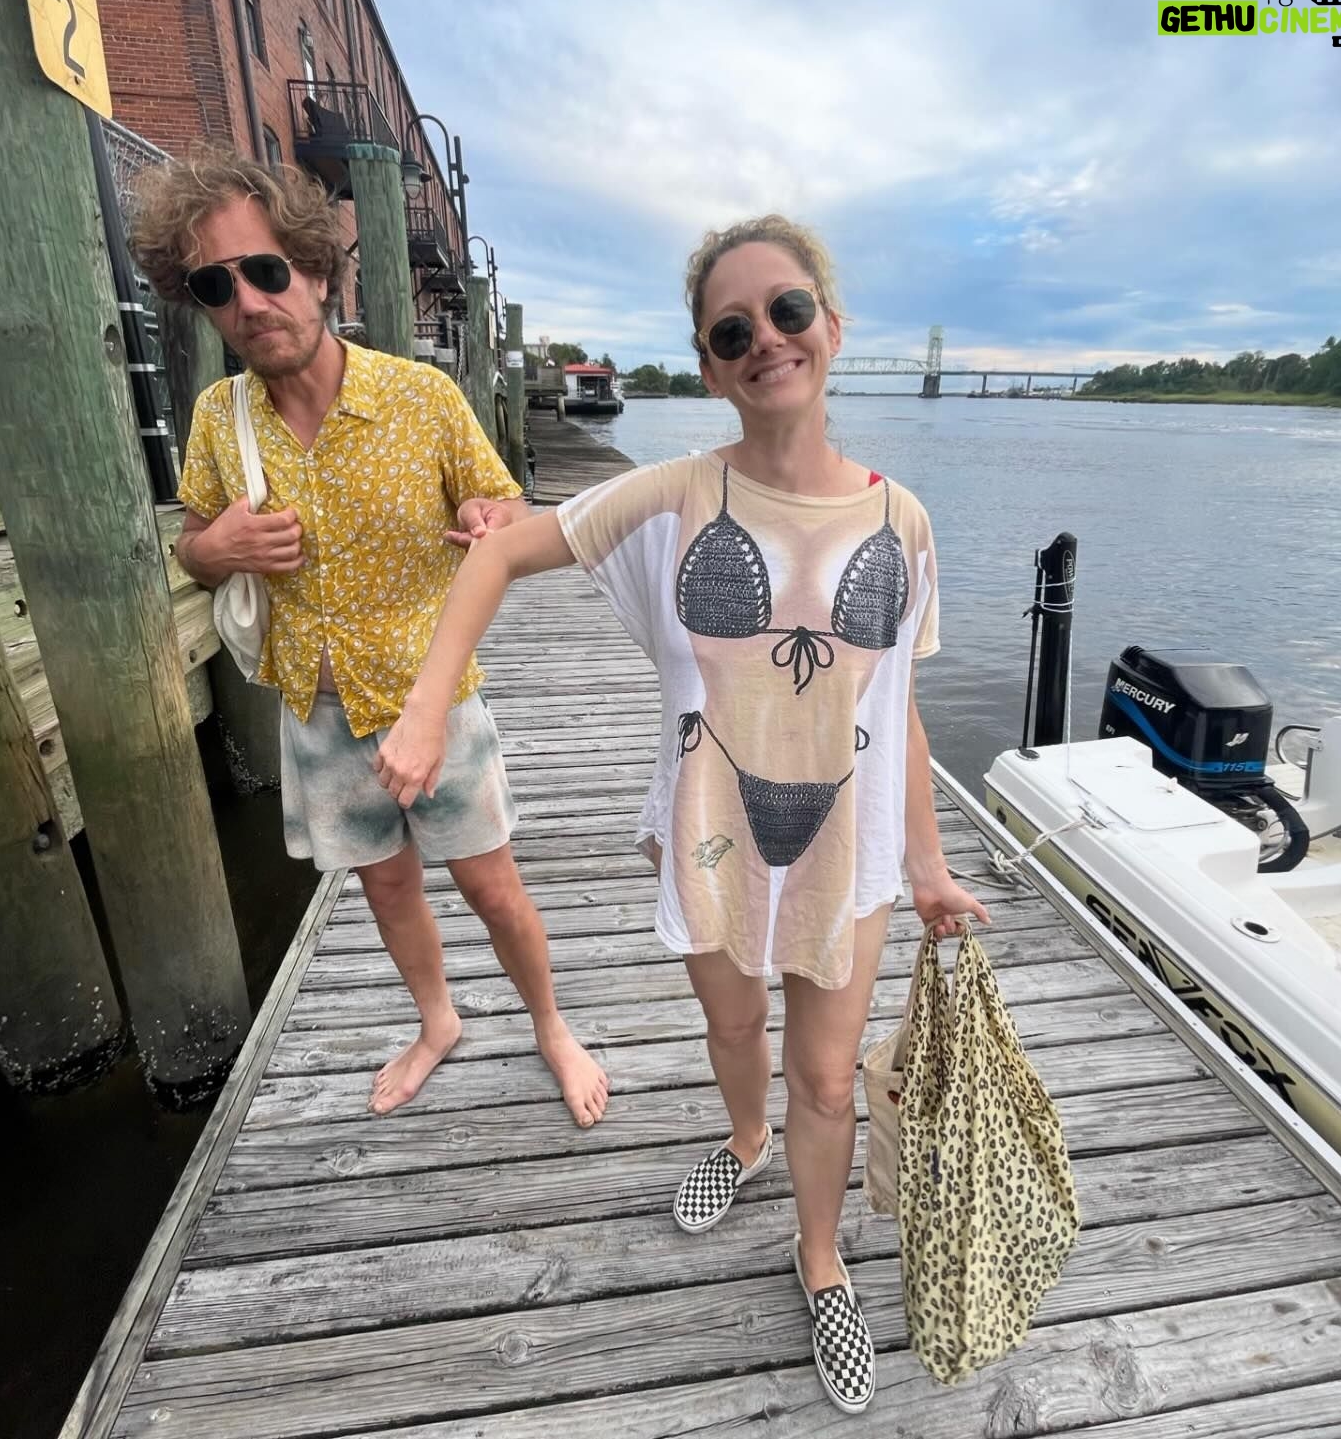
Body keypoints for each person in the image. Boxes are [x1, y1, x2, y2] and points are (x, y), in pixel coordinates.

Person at [374, 214, 989, 1414]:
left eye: (787, 311)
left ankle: (820, 1259)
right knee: (732, 1026)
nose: (766, 340)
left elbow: (900, 711)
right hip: (713, 838)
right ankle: (744, 1140)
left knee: (828, 1080)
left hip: (850, 856)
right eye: (731, 330)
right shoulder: (666, 500)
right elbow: (494, 558)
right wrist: (427, 707)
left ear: (831, 327)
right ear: (709, 366)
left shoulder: (904, 522)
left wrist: (926, 864)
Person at [128, 148, 608, 1126]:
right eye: (216, 285)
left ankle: (552, 1025)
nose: (248, 301)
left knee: (493, 889)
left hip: (436, 701)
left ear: (316, 271)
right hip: (315, 710)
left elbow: (508, 510)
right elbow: (193, 547)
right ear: (199, 302)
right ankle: (438, 1022)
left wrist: (489, 519)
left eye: (266, 271)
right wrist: (216, 547)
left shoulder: (421, 398)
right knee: (387, 891)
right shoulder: (220, 418)